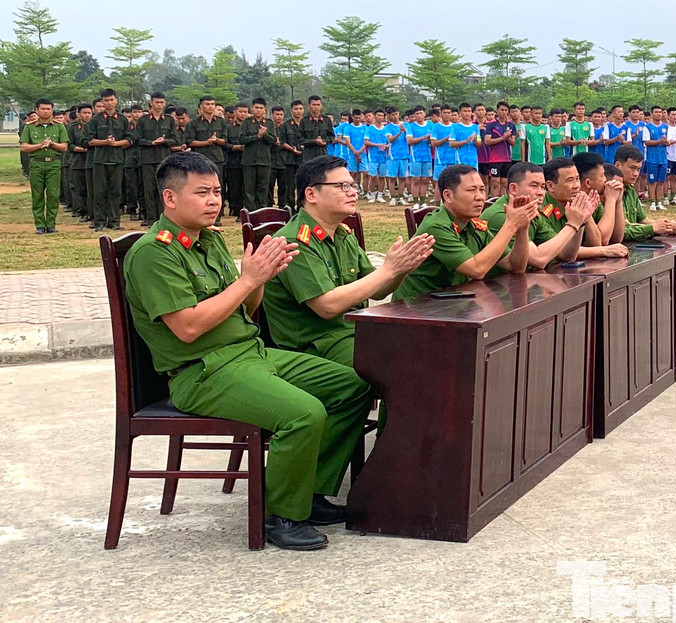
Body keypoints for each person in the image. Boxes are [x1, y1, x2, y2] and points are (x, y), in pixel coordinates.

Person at [121, 150, 373, 550]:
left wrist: (259, 279)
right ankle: (282, 515)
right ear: (170, 198)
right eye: (202, 193)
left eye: (217, 192)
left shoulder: (209, 241)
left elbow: (246, 309)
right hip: (203, 371)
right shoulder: (155, 252)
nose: (213, 201)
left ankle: (308, 492)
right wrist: (247, 280)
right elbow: (187, 328)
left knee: (353, 385)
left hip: (249, 354)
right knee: (303, 413)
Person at [261, 155, 435, 368]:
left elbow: (377, 291)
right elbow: (327, 306)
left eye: (352, 186)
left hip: (352, 331)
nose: (352, 192)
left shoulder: (342, 234)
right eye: (342, 186)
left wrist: (401, 269)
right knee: (403, 366)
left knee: (427, 349)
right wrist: (388, 270)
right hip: (317, 345)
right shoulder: (294, 241)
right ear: (311, 194)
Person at [394, 164, 539, 301]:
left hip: (454, 301)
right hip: (416, 306)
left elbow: (516, 267)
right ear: (448, 196)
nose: (480, 197)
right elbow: (477, 270)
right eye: (471, 190)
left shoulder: (474, 225)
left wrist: (522, 228)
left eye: (482, 190)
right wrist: (511, 225)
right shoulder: (436, 226)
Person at [613, 145, 676, 240]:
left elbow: (643, 220)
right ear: (617, 165)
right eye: (632, 168)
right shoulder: (610, 191)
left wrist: (668, 225)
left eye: (638, 169)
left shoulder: (630, 190)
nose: (636, 174)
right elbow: (624, 229)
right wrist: (654, 228)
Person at [86, 88, 132, 231]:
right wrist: (104, 142)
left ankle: (114, 221)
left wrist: (116, 143)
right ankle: (99, 221)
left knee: (116, 191)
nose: (109, 103)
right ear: (102, 102)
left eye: (111, 100)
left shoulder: (123, 120)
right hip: (100, 160)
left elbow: (129, 139)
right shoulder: (96, 120)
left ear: (116, 100)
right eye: (106, 100)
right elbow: (89, 140)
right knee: (99, 192)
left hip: (117, 160)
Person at [20, 98, 68, 234]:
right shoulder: (29, 127)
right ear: (37, 110)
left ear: (52, 110)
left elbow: (64, 147)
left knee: (53, 194)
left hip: (53, 163)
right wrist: (39, 145)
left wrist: (52, 144)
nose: (46, 111)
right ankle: (40, 225)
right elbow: (24, 147)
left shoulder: (59, 126)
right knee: (37, 195)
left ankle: (51, 224)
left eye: (48, 109)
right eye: (43, 109)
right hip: (37, 163)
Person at [133, 93, 176, 225]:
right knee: (149, 190)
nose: (159, 105)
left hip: (164, 159)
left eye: (162, 102)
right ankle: (150, 218)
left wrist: (165, 141)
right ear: (151, 103)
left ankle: (164, 218)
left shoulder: (169, 120)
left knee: (164, 189)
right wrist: (150, 143)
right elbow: (137, 140)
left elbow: (175, 139)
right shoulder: (143, 120)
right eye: (157, 102)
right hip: (147, 159)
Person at [238, 98, 278, 211]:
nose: (258, 110)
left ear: (265, 109)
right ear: (252, 109)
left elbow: (273, 140)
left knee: (263, 188)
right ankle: (251, 212)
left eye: (261, 108)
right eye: (256, 107)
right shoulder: (246, 123)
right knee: (249, 189)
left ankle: (261, 212)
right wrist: (257, 136)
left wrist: (265, 135)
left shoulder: (269, 123)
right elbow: (242, 139)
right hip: (249, 161)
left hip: (264, 160)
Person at [280, 101, 306, 208]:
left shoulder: (307, 123)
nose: (298, 111)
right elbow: (282, 142)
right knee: (289, 186)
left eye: (300, 109)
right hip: (290, 159)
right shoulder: (286, 125)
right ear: (291, 110)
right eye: (296, 109)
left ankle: (301, 207)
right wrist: (291, 149)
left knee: (303, 184)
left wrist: (305, 146)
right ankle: (290, 208)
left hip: (304, 159)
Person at [297, 96, 335, 163]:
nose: (316, 107)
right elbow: (299, 139)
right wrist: (314, 141)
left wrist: (324, 141)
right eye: (314, 105)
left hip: (323, 155)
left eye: (318, 105)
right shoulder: (304, 121)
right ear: (309, 106)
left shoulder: (327, 120)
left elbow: (331, 137)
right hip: (308, 156)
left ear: (321, 106)